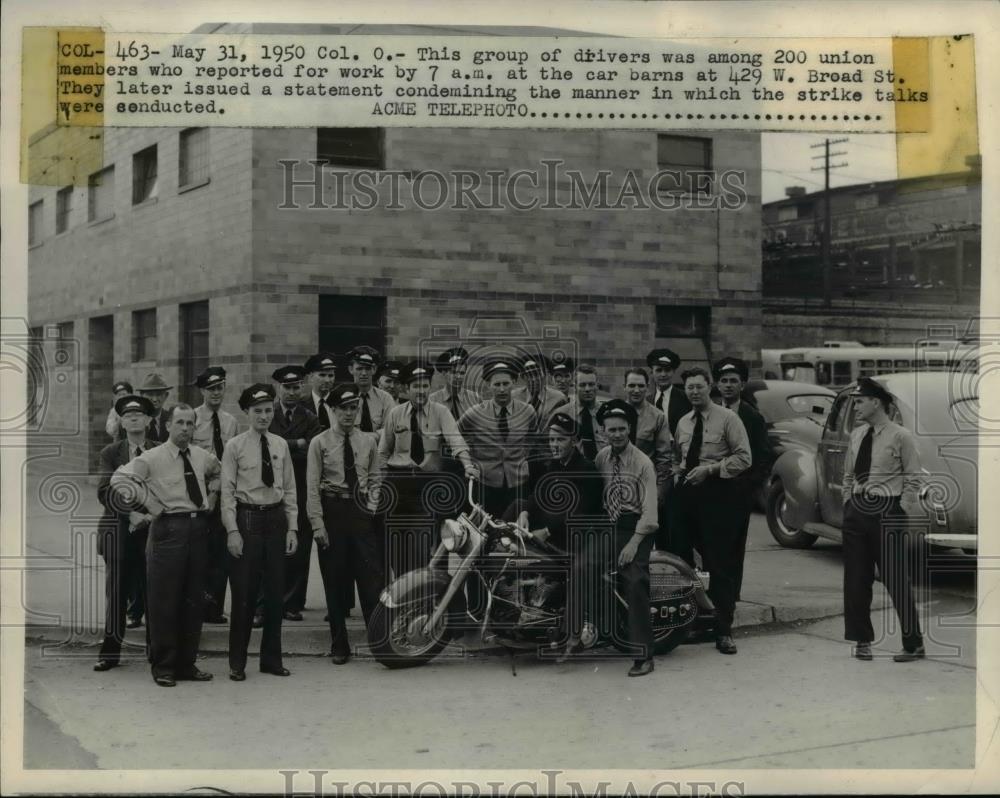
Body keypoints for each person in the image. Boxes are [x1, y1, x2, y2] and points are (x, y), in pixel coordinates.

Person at [110, 404, 221, 687]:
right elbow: (119, 479)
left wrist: (213, 494)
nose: (185, 428)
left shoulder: (201, 456)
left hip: (197, 529)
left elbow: (219, 473)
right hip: (167, 531)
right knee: (164, 601)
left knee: (193, 599)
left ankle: (187, 663)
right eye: (180, 422)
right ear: (168, 425)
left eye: (190, 424)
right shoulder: (152, 457)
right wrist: (149, 504)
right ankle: (164, 666)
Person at [842, 377, 925, 662]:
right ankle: (861, 640)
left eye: (860, 402)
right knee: (856, 578)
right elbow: (848, 474)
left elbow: (914, 477)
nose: (856, 408)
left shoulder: (901, 436)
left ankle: (913, 644)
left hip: (887, 511)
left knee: (895, 579)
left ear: (876, 402)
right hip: (857, 510)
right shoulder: (856, 435)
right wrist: (847, 502)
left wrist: (900, 508)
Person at [670, 367, 751, 656]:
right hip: (689, 497)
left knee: (720, 565)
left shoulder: (728, 419)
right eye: (690, 388)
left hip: (719, 496)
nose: (694, 392)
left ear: (709, 387)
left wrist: (711, 470)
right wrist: (678, 474)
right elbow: (679, 458)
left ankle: (724, 631)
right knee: (682, 561)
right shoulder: (683, 422)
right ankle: (690, 623)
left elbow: (744, 458)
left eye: (699, 387)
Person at [222, 384, 299, 682]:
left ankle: (271, 660)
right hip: (248, 520)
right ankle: (237, 662)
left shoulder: (280, 444)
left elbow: (290, 488)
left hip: (276, 519)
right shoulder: (235, 446)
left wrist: (292, 527)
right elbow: (227, 493)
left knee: (275, 595)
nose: (264, 416)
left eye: (268, 410)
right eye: (258, 411)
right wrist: (232, 531)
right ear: (247, 413)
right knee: (244, 594)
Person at [306, 384, 385, 664]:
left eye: (354, 408)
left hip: (360, 510)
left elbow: (376, 477)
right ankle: (340, 644)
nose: (349, 414)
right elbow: (312, 487)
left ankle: (379, 642)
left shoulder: (368, 441)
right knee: (336, 581)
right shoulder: (320, 443)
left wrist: (371, 506)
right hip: (333, 509)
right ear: (333, 410)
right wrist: (318, 525)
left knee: (371, 580)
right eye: (343, 408)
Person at [514, 412, 604, 661]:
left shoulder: (587, 469)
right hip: (558, 533)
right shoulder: (552, 465)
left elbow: (580, 511)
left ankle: (568, 629)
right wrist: (524, 511)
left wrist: (548, 531)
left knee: (573, 570)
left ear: (574, 441)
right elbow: (538, 495)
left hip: (580, 536)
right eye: (551, 440)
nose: (554, 445)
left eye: (560, 440)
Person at [378, 361, 478, 577]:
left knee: (420, 542)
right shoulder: (395, 414)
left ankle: (425, 592)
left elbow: (456, 440)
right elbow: (383, 452)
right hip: (398, 483)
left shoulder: (440, 412)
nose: (421, 391)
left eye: (425, 385)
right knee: (396, 545)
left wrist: (468, 465)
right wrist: (377, 483)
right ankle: (405, 591)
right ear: (406, 389)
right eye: (416, 386)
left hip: (426, 486)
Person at [593, 400, 659, 677]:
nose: (617, 434)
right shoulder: (601, 458)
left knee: (633, 580)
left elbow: (650, 514)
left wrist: (633, 544)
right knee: (583, 568)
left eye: (621, 429)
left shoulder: (643, 463)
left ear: (629, 429)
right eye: (611, 430)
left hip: (636, 528)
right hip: (608, 525)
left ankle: (643, 654)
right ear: (603, 432)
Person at [93, 395, 157, 672]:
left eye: (139, 414)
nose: (133, 418)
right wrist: (131, 513)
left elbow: (165, 487)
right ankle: (110, 653)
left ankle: (157, 652)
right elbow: (105, 490)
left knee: (153, 593)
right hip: (118, 531)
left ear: (149, 420)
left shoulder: (158, 451)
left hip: (152, 533)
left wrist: (151, 514)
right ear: (120, 421)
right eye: (128, 415)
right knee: (117, 595)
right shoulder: (111, 453)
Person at [713, 356, 774, 601]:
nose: (728, 385)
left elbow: (764, 458)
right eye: (724, 380)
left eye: (733, 381)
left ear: (742, 385)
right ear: (717, 385)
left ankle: (731, 595)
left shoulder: (751, 417)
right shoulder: (712, 413)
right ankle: (715, 592)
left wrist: (747, 487)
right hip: (713, 489)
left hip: (738, 492)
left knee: (734, 546)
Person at [268, 365, 322, 622]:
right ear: (279, 387)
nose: (292, 392)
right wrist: (295, 443)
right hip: (271, 487)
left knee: (298, 548)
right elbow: (268, 446)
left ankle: (292, 603)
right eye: (287, 387)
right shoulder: (269, 413)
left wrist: (287, 446)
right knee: (271, 546)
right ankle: (267, 604)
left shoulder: (309, 417)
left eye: (296, 387)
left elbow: (312, 448)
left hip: (300, 488)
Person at [459, 359, 538, 517]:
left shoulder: (528, 412)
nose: (502, 389)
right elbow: (455, 438)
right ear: (488, 385)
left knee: (516, 533)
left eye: (506, 383)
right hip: (485, 486)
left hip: (518, 484)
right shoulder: (475, 413)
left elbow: (533, 440)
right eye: (496, 384)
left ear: (514, 382)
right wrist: (469, 463)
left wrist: (522, 459)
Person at [192, 366, 239, 624]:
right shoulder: (193, 418)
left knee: (221, 554)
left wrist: (221, 491)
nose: (216, 393)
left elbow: (229, 462)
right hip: (198, 495)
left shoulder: (230, 421)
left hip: (223, 493)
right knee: (200, 553)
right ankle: (197, 607)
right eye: (211, 389)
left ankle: (214, 608)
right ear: (202, 391)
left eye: (220, 388)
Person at [512, 355, 569, 457]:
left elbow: (563, 430)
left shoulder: (558, 398)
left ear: (545, 375)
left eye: (538, 374)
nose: (534, 379)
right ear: (523, 377)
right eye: (530, 375)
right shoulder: (514, 397)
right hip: (519, 454)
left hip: (548, 454)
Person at [561, 364, 606, 461]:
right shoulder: (563, 414)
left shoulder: (607, 413)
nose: (587, 389)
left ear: (597, 385)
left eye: (591, 384)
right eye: (582, 385)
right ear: (575, 386)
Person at [646, 349, 691, 437]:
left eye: (667, 370)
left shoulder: (686, 398)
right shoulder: (647, 401)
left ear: (673, 372)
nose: (663, 374)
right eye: (659, 370)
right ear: (652, 373)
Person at [429, 347, 480, 421]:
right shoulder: (432, 400)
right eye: (453, 372)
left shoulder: (474, 399)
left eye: (462, 373)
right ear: (444, 373)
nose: (458, 377)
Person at [305, 352, 338, 430]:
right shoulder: (301, 405)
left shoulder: (340, 403)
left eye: (331, 375)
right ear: (311, 377)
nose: (327, 380)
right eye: (322, 375)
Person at [136, 372, 173, 443]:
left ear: (166, 396)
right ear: (141, 396)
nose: (155, 399)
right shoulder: (134, 421)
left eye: (159, 394)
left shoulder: (171, 420)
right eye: (150, 394)